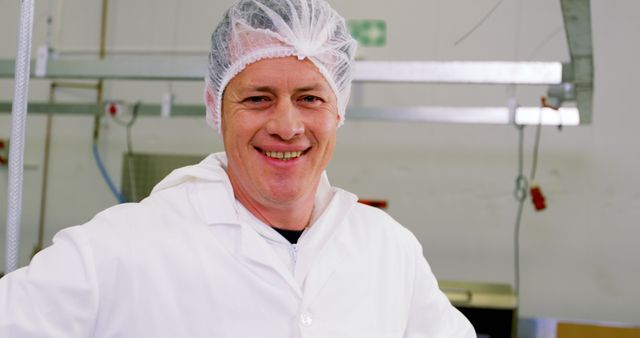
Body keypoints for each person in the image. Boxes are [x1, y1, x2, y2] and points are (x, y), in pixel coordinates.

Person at [0, 0, 476, 337]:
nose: (288, 126)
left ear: (339, 108)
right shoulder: (121, 247)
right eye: (258, 99)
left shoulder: (388, 250)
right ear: (215, 106)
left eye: (309, 98)